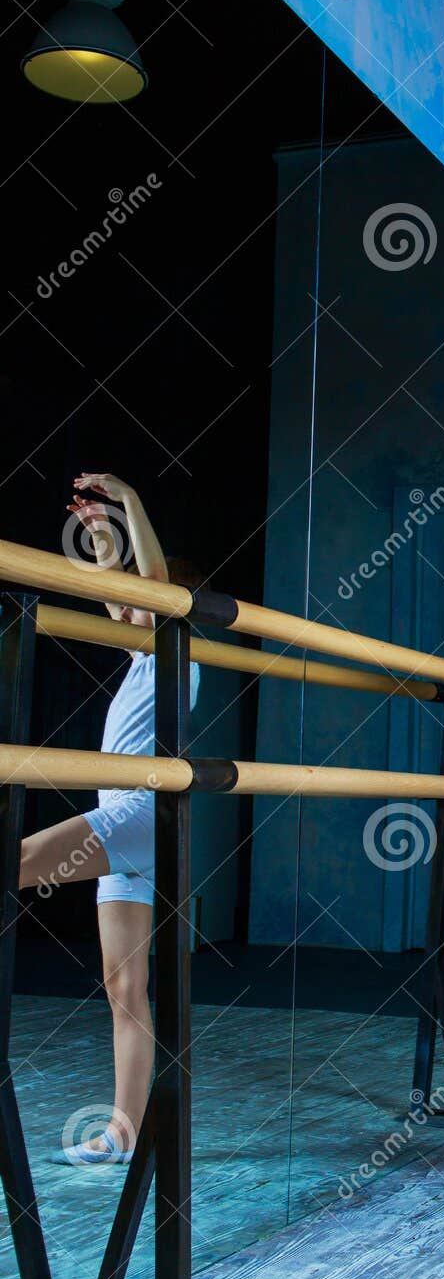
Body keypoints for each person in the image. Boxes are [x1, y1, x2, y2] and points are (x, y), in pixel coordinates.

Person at [17, 473, 201, 1166]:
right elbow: (121, 591)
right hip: (132, 829)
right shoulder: (142, 663)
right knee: (124, 984)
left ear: (164, 610)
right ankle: (123, 1132)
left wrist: (131, 503)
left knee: (21, 858)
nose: (123, 616)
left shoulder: (178, 654)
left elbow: (143, 588)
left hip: (139, 811)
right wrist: (101, 537)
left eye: (138, 610)